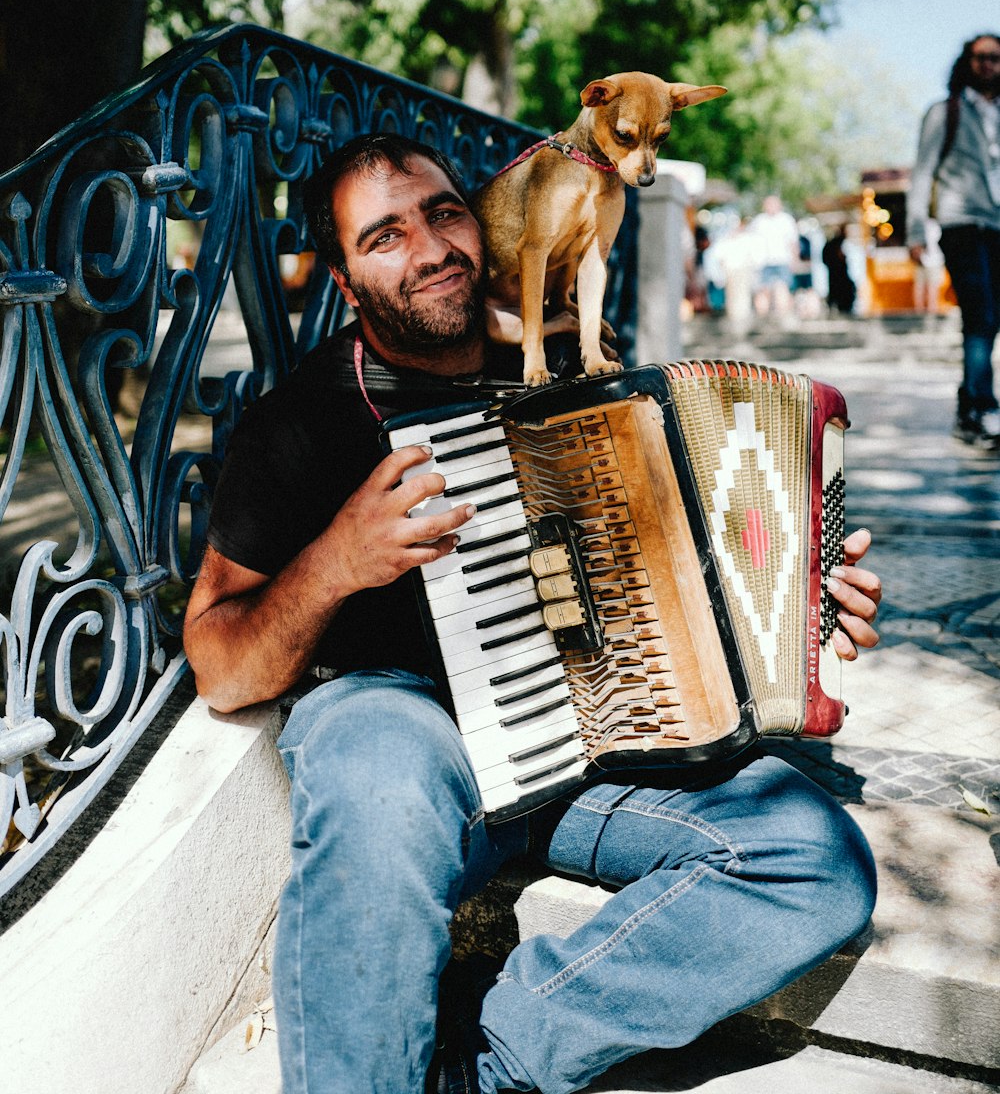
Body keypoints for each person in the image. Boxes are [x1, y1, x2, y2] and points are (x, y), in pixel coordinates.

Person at [183, 133, 881, 1094]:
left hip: (596, 737)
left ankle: (495, 1064)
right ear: (345, 283)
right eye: (384, 236)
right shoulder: (298, 424)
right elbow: (219, 663)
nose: (429, 249)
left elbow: (678, 557)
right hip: (415, 735)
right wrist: (337, 561)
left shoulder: (576, 365)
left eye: (443, 213)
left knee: (815, 858)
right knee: (377, 770)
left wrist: (799, 595)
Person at [908, 34, 1000, 448]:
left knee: (991, 317)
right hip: (961, 224)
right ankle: (979, 408)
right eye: (981, 57)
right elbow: (923, 171)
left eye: (996, 58)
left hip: (997, 227)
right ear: (967, 62)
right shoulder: (946, 112)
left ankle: (973, 402)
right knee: (979, 314)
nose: (989, 65)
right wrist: (914, 231)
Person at [748, 195, 799, 322]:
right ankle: (763, 320)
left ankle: (782, 319)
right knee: (763, 291)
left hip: (782, 260)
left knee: (782, 289)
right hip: (763, 261)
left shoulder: (786, 220)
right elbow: (751, 242)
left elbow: (793, 243)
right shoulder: (759, 221)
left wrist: (794, 259)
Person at [822, 226, 857, 316]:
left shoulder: (834, 243)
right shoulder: (838, 243)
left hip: (836, 274)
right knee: (841, 291)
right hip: (839, 274)